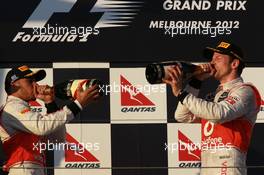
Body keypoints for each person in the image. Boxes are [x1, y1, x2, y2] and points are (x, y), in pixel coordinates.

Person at [164, 41, 261, 175]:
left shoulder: (245, 91)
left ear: (234, 64)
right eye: (212, 58)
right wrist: (196, 81)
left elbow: (219, 114)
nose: (212, 62)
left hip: (228, 162)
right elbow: (182, 116)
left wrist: (181, 93)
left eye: (218, 58)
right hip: (208, 162)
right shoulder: (213, 96)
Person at [0, 65, 100, 175]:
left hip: (34, 169)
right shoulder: (12, 107)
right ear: (15, 84)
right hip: (23, 170)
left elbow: (57, 138)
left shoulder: (25, 111)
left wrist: (50, 103)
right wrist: (78, 104)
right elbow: (42, 127)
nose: (36, 85)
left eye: (35, 81)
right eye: (30, 81)